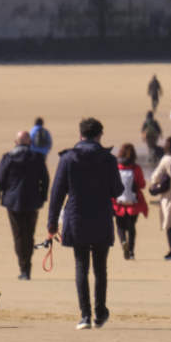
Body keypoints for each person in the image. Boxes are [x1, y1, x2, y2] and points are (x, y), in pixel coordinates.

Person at [47, 117, 124, 329]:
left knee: (81, 265)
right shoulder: (107, 159)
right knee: (100, 268)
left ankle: (85, 316)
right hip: (101, 218)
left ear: (80, 135)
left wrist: (51, 223)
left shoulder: (68, 158)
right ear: (99, 135)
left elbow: (57, 192)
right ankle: (100, 313)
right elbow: (118, 190)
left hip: (76, 217)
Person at [0, 131, 50, 280]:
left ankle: (24, 268)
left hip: (13, 202)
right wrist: (42, 197)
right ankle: (27, 266)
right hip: (32, 202)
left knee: (18, 236)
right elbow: (45, 179)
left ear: (16, 142)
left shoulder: (8, 157)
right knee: (29, 235)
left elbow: (0, 180)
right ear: (29, 142)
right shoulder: (37, 158)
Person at [112, 143, 149, 260]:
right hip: (133, 202)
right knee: (132, 226)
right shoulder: (136, 168)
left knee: (120, 226)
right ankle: (132, 252)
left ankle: (123, 241)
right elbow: (142, 185)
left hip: (119, 202)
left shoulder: (116, 167)